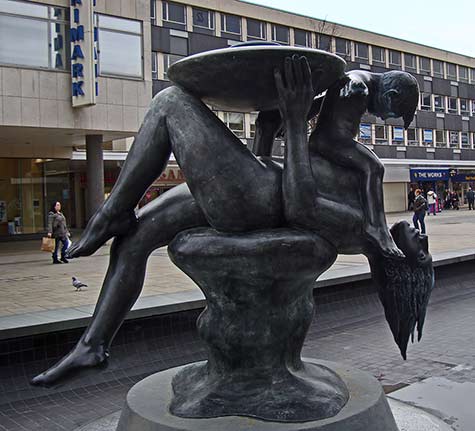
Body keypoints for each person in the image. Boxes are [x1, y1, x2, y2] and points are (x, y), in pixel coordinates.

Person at [31, 56, 420, 386]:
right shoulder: (370, 207)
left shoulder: (362, 227)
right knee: (133, 239)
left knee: (170, 102)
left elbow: (300, 207)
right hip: (257, 176)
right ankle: (93, 345)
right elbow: (305, 170)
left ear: (403, 264)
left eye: (421, 244)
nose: (418, 230)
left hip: (254, 197)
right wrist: (271, 126)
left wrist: (297, 123)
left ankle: (111, 211)